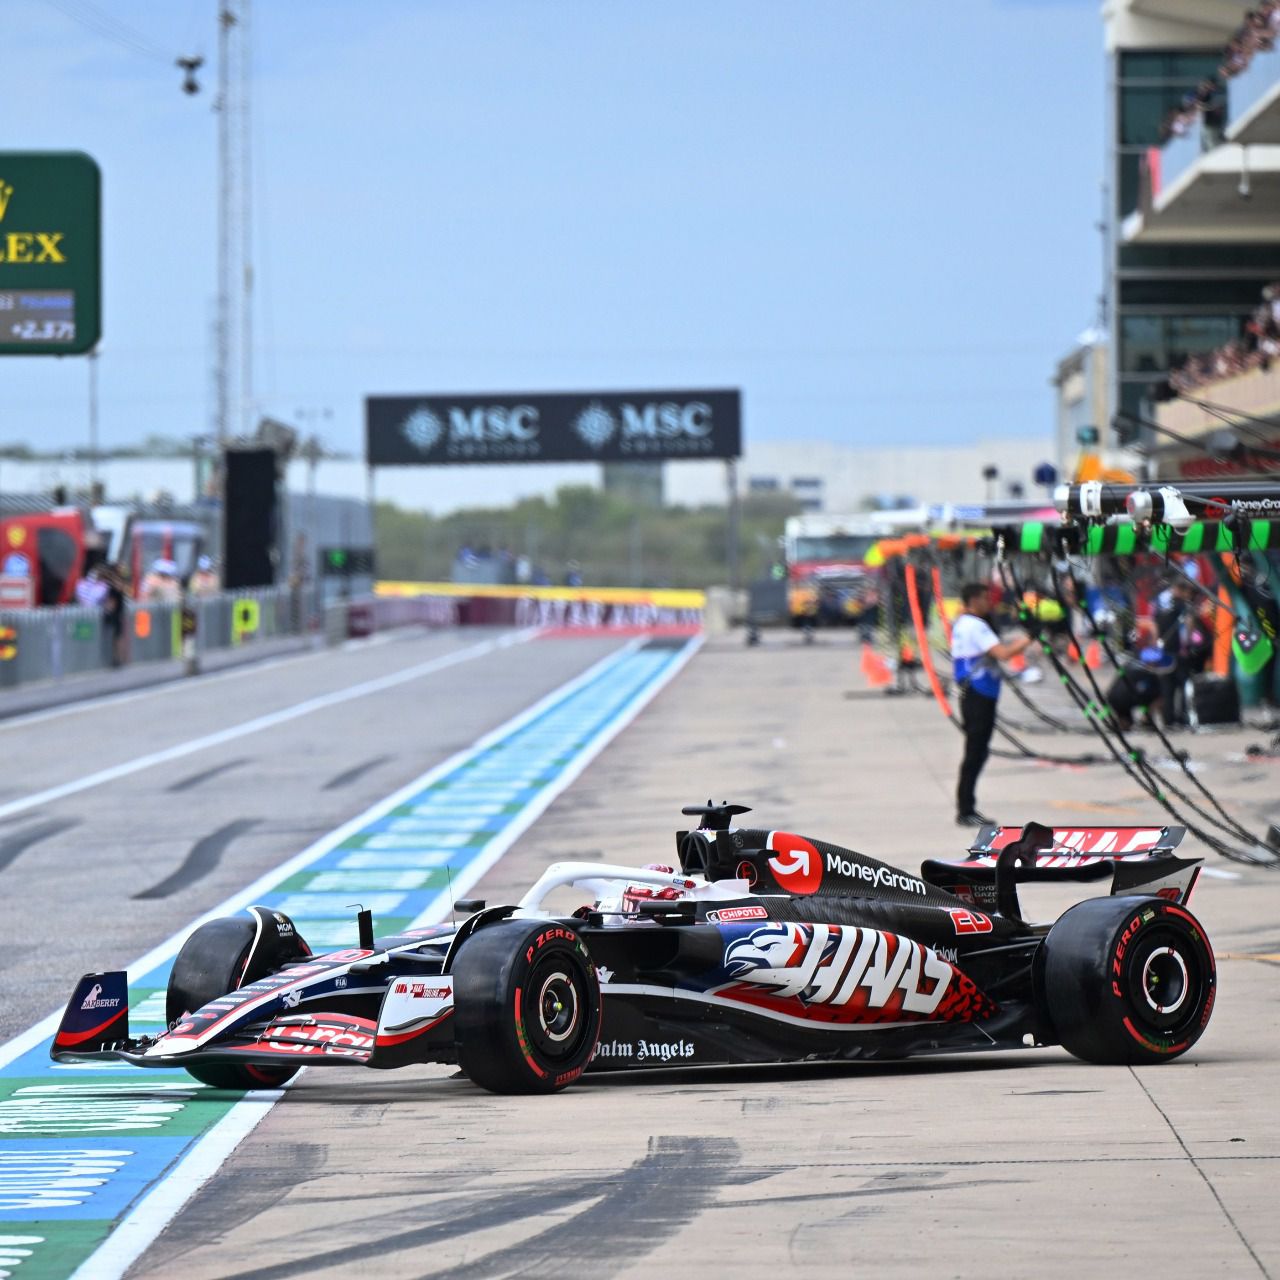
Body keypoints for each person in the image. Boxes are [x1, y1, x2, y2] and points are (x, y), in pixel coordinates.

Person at [952, 581, 1033, 827]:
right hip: (978, 694)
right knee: (975, 752)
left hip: (977, 693)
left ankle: (967, 806)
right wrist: (1032, 635)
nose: (990, 604)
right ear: (974, 601)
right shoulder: (976, 626)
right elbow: (1004, 654)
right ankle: (966, 809)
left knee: (977, 751)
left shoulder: (964, 623)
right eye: (986, 599)